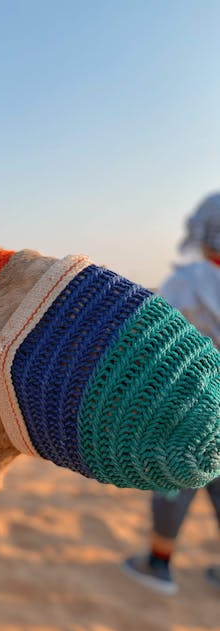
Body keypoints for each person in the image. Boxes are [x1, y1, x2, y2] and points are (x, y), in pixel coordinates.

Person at [123, 192, 220, 595]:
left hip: (192, 396)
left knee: (175, 475)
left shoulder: (188, 280)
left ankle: (158, 565)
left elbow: (153, 338)